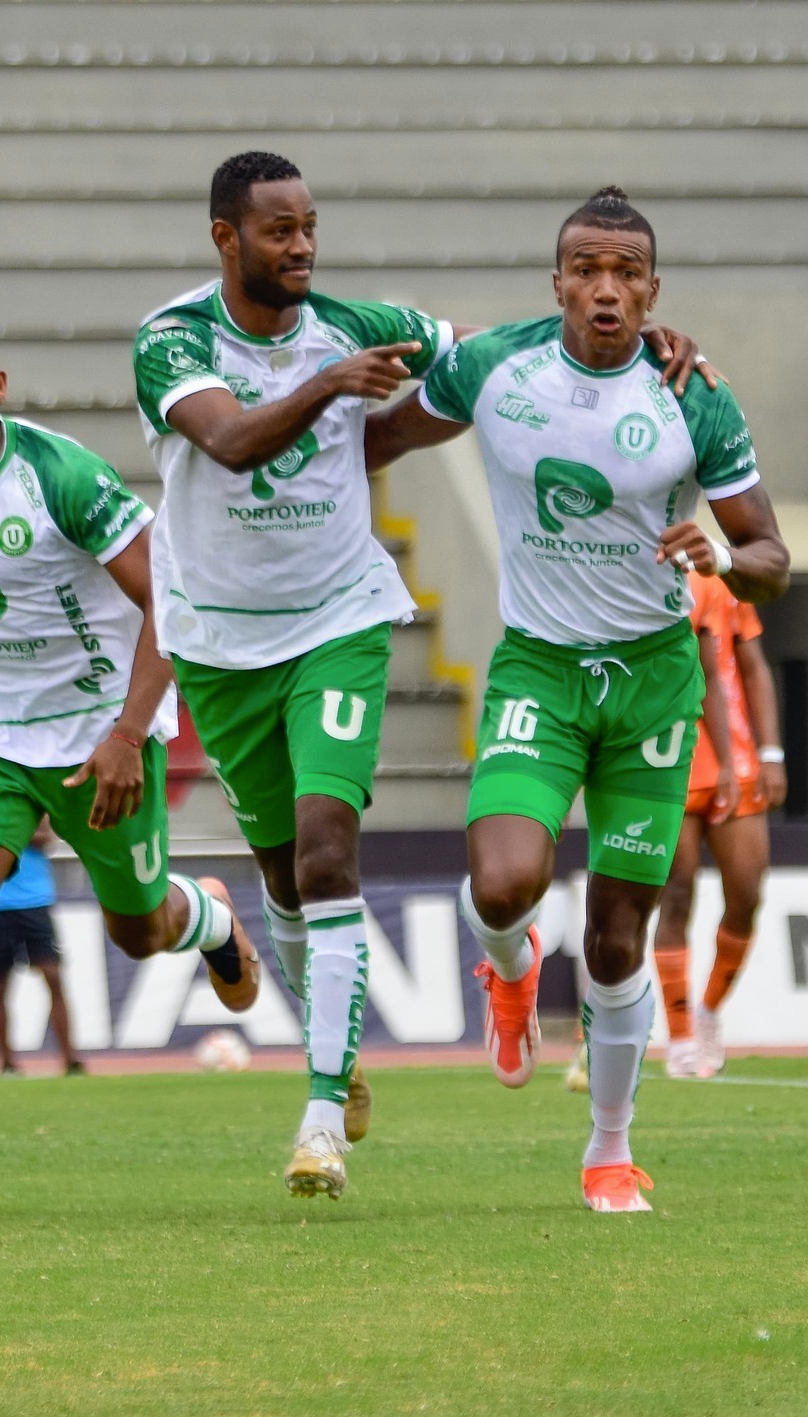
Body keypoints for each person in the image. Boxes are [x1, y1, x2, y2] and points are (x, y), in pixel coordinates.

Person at [131, 152, 713, 1201]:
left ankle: (320, 1117)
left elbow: (510, 355)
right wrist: (326, 387)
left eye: (309, 226)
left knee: (324, 848)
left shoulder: (362, 324)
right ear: (227, 238)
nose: (301, 246)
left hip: (341, 617)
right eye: (277, 231)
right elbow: (228, 445)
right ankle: (334, 1049)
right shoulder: (170, 340)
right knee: (280, 879)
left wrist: (637, 348)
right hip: (218, 640)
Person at [365, 187, 790, 1211]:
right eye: (585, 270)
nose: (605, 289)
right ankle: (507, 972)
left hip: (651, 681)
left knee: (615, 936)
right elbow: (378, 442)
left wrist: (724, 556)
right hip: (539, 670)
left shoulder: (695, 396)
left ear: (652, 287)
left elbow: (772, 557)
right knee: (505, 881)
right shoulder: (493, 366)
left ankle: (609, 1148)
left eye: (625, 272)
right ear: (556, 281)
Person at [0, 319, 257, 1219]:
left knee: (139, 929)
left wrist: (129, 731)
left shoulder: (64, 478)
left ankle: (204, 914)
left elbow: (171, 595)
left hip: (98, 735)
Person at [653, 568, 786, 1079]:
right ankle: (682, 1036)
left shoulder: (718, 577)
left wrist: (771, 752)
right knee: (677, 893)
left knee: (747, 893)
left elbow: (749, 665)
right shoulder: (633, 572)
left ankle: (708, 1010)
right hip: (668, 755)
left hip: (734, 754)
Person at [0, 819, 84, 1078]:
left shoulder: (33, 802)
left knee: (53, 977)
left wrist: (8, 830)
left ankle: (70, 1059)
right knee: (1, 986)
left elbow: (44, 837)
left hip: (35, 901)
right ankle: (6, 1063)